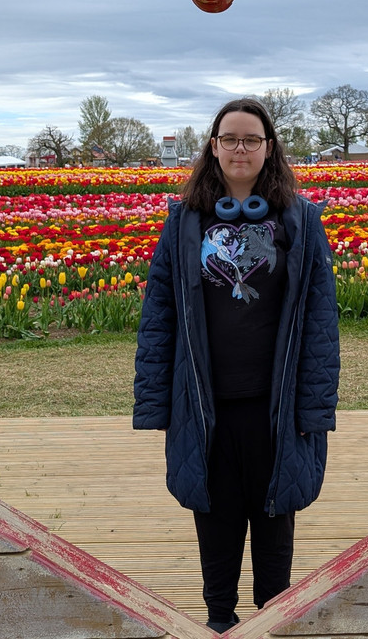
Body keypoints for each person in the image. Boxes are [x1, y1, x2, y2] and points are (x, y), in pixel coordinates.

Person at [133, 98, 340, 633]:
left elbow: (320, 320)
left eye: (251, 139)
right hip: (205, 404)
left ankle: (272, 624)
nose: (240, 149)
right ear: (214, 146)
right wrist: (156, 405)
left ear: (269, 148)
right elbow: (159, 314)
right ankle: (219, 623)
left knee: (275, 525)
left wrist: (315, 410)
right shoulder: (184, 221)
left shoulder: (300, 219)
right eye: (230, 139)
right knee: (215, 525)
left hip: (277, 406)